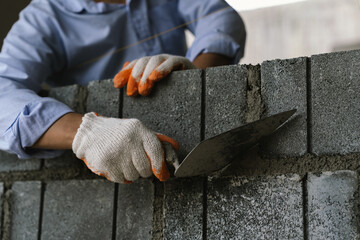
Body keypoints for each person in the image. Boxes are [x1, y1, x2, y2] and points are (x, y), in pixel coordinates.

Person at [0, 0, 246, 183]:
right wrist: (85, 132)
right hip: (111, 164)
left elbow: (220, 17)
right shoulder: (43, 17)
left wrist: (194, 78)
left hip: (186, 142)